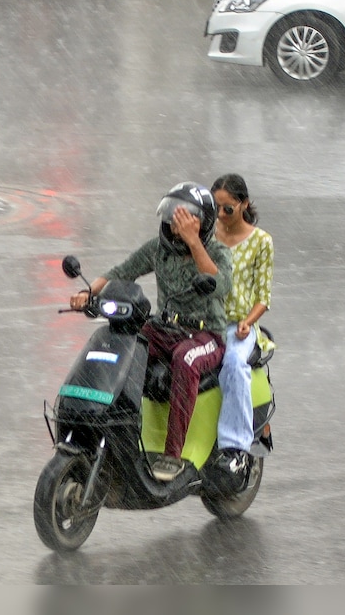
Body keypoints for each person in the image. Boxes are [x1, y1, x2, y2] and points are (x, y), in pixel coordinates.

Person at [70, 182, 232, 482]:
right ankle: (117, 432)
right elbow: (123, 270)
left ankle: (173, 454)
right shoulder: (160, 250)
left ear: (204, 223)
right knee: (122, 341)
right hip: (164, 327)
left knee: (185, 360)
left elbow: (220, 285)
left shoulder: (216, 252)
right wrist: (87, 293)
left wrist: (194, 242)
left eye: (185, 219)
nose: (175, 225)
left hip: (205, 335)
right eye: (173, 217)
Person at [210, 174, 276, 476]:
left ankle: (234, 448)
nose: (221, 215)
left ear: (244, 204)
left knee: (235, 363)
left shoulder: (261, 242)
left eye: (228, 208)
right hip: (205, 322)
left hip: (237, 326)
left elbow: (263, 297)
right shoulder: (207, 237)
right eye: (215, 208)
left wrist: (248, 323)